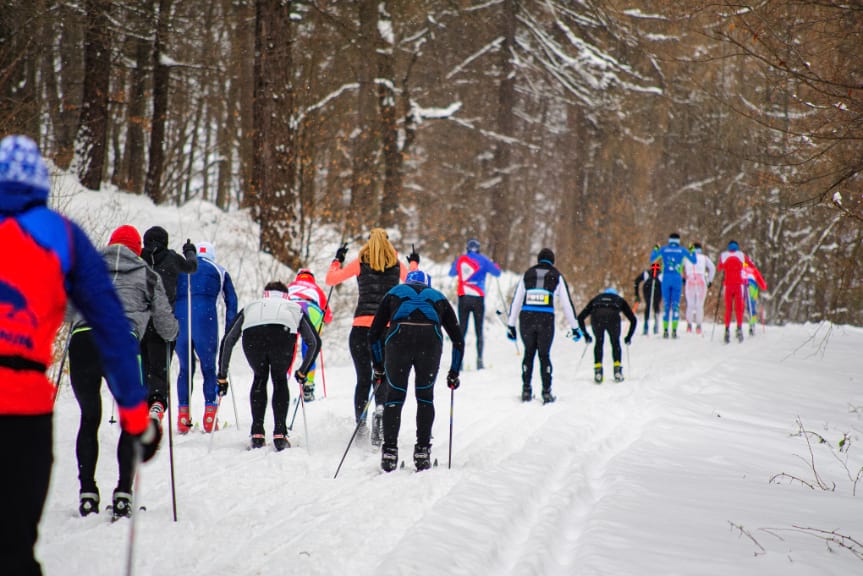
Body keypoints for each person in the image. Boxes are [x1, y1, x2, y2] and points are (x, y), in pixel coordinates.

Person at [0, 135, 158, 574]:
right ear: (39, 186)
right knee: (13, 549)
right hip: (21, 408)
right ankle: (109, 491)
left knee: (89, 418)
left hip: (37, 385)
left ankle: (88, 487)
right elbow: (111, 327)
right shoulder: (62, 236)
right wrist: (137, 418)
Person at [68, 225, 178, 519]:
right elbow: (167, 327)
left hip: (83, 342)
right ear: (137, 248)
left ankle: (87, 492)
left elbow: (65, 310)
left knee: (89, 418)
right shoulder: (147, 274)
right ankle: (123, 494)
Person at [325, 229, 418, 447]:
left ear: (368, 244)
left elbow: (331, 279)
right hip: (387, 329)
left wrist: (337, 260)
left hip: (361, 329)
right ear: (388, 244)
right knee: (383, 377)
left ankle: (361, 425)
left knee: (363, 379)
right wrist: (413, 263)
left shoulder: (361, 262)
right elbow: (414, 282)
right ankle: (381, 413)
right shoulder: (396, 264)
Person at [368, 270, 464, 472]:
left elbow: (373, 334)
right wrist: (454, 372)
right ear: (427, 284)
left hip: (398, 339)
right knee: (425, 397)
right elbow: (458, 339)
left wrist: (378, 367)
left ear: (408, 282)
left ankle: (390, 453)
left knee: (394, 397)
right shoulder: (438, 296)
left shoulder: (395, 292)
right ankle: (422, 452)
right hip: (430, 342)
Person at [217, 281, 321, 451]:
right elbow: (314, 342)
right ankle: (280, 434)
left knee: (259, 377)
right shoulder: (293, 306)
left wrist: (222, 375)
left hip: (252, 337)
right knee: (279, 379)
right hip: (283, 335)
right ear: (285, 295)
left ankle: (257, 433)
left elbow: (228, 340)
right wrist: (303, 371)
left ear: (265, 294)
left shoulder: (251, 306)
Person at [175, 241, 238, 433]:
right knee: (209, 367)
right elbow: (231, 302)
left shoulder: (179, 269)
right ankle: (210, 415)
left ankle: (183, 416)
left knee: (185, 368)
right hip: (205, 320)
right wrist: (230, 330)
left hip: (180, 320)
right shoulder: (219, 270)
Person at [506, 248, 581, 404]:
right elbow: (567, 304)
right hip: (545, 319)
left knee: (528, 353)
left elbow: (517, 301)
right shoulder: (557, 275)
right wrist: (575, 328)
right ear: (552, 261)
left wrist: (511, 325)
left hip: (526, 317)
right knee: (544, 355)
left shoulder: (527, 274)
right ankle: (546, 392)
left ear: (538, 260)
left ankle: (526, 390)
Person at [140, 226, 197, 419]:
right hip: (163, 321)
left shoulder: (138, 259)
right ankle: (157, 402)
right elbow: (192, 267)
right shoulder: (172, 258)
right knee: (160, 366)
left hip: (140, 322)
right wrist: (190, 251)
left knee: (143, 366)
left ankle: (141, 403)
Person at [447, 238, 501, 370]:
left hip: (463, 297)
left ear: (467, 248)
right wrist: (495, 264)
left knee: (462, 330)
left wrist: (456, 263)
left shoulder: (461, 259)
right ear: (479, 249)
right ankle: (479, 360)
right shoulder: (484, 260)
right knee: (479, 330)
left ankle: (459, 362)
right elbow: (497, 273)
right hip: (478, 298)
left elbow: (451, 273)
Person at [287, 269, 332, 401]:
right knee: (310, 346)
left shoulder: (290, 286)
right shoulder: (316, 288)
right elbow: (328, 316)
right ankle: (308, 386)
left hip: (291, 308)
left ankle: (283, 380)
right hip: (312, 310)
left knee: (290, 347)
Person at [577, 288, 637, 383]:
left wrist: (586, 335)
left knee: (599, 342)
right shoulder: (618, 299)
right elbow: (633, 320)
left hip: (597, 316)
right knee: (615, 342)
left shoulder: (597, 298)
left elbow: (580, 318)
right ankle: (617, 370)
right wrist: (629, 337)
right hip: (613, 317)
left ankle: (598, 371)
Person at [649, 233, 696, 339]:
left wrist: (656, 249)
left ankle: (665, 331)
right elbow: (694, 261)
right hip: (677, 279)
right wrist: (692, 250)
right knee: (675, 306)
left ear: (669, 240)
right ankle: (674, 331)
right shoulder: (683, 250)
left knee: (666, 305)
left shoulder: (664, 249)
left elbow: (652, 259)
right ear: (678, 241)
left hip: (666, 278)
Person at [716, 240, 761, 343]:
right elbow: (751, 265)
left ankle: (727, 330)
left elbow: (719, 268)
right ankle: (739, 328)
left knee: (728, 309)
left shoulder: (723, 256)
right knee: (739, 308)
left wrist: (726, 267)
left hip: (728, 285)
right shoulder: (741, 255)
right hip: (738, 285)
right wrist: (743, 265)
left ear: (728, 247)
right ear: (737, 247)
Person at [682, 242, 716, 335]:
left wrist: (683, 278)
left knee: (690, 304)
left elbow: (680, 266)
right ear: (700, 249)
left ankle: (689, 325)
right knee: (699, 305)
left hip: (690, 280)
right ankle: (698, 326)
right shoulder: (704, 258)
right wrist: (709, 280)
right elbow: (712, 268)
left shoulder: (687, 258)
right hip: (701, 281)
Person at [633, 262, 662, 335]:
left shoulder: (647, 273)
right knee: (654, 306)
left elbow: (636, 281)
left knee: (650, 305)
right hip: (651, 290)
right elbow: (637, 281)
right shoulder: (660, 274)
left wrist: (637, 294)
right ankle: (652, 325)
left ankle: (650, 325)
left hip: (651, 290)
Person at [742, 258, 767, 336]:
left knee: (741, 305)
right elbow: (763, 284)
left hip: (742, 284)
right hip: (752, 285)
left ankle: (739, 326)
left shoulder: (741, 268)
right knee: (751, 306)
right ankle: (752, 325)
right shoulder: (753, 270)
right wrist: (763, 287)